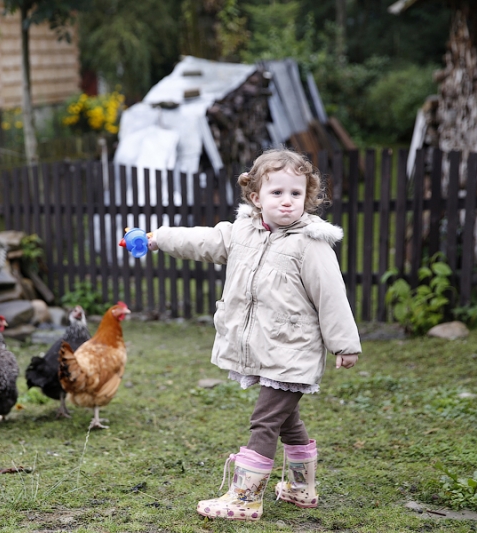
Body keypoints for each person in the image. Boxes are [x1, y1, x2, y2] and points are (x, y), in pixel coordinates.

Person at [147, 148, 361, 521]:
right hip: (266, 349)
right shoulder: (242, 232)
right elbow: (201, 241)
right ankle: (300, 488)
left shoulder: (311, 243)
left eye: (296, 193)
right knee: (286, 418)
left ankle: (245, 498)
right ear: (255, 196)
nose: (286, 201)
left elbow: (332, 296)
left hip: (293, 348)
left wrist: (344, 343)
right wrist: (158, 238)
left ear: (307, 197)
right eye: (276, 192)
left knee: (265, 420)